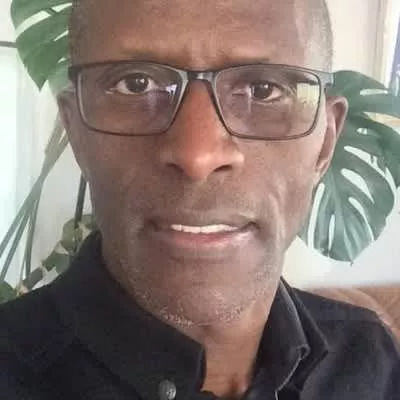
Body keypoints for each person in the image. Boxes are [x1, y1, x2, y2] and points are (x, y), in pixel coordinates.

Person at [1, 0, 399, 398]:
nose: (198, 156)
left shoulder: (372, 362)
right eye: (136, 84)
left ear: (325, 142)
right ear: (75, 131)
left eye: (262, 90)